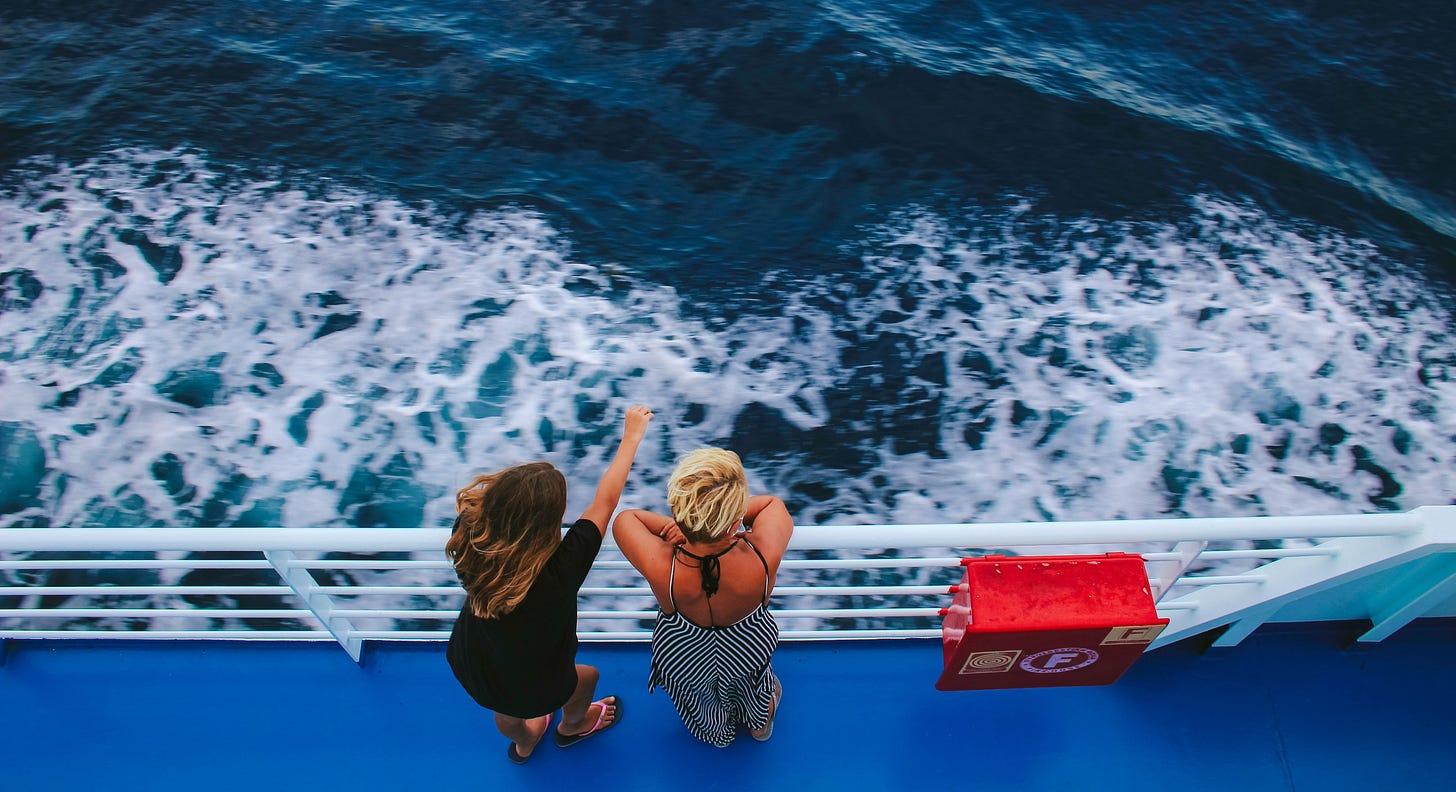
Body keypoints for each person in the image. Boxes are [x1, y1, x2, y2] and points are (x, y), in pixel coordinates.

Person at [446, 405, 653, 764]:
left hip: (474, 664)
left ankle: (525, 740)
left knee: (505, 713)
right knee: (585, 679)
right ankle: (574, 725)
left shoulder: (469, 538)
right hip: (535, 682)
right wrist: (632, 436)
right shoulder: (559, 571)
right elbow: (606, 501)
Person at [612, 447, 795, 747]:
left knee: (699, 697)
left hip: (686, 654)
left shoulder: (664, 567)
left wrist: (687, 528)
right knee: (753, 682)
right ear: (734, 519)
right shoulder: (762, 556)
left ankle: (717, 733)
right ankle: (760, 724)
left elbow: (625, 520)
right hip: (746, 647)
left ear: (677, 512)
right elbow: (773, 506)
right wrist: (723, 520)